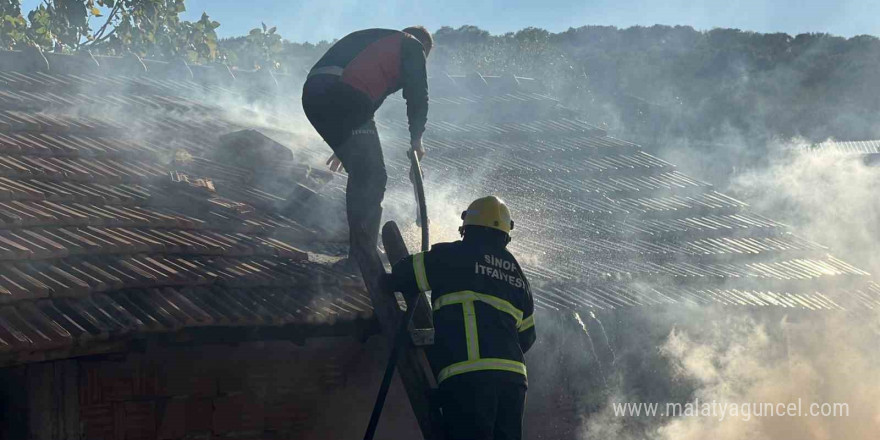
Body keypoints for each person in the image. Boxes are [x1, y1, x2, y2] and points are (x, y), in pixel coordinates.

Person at [391, 196, 537, 440]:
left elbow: (403, 275)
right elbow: (528, 337)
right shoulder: (518, 275)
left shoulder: (452, 255)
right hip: (513, 383)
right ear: (505, 236)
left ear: (466, 227)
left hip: (470, 380)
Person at [302, 26, 432, 260]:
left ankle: (361, 250)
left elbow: (366, 101)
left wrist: (346, 144)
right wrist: (417, 139)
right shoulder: (412, 44)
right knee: (373, 177)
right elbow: (418, 96)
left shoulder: (380, 47)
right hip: (343, 93)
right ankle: (363, 258)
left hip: (314, 95)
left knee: (363, 173)